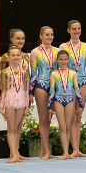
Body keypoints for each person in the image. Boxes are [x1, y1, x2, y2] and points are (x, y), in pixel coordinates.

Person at [59, 20, 86, 158]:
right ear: (68, 30)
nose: (77, 31)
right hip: (68, 83)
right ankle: (68, 150)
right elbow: (61, 65)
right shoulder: (63, 46)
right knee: (69, 117)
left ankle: (76, 149)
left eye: (79, 28)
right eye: (74, 29)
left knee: (78, 115)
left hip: (82, 82)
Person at [0, 28, 29, 160]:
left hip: (21, 98)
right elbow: (3, 87)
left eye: (23, 38)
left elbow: (26, 86)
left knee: (18, 126)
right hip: (10, 98)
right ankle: (13, 154)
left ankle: (15, 153)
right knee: (11, 127)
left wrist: (27, 102)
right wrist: (1, 104)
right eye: (18, 38)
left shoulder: (24, 68)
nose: (16, 57)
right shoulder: (5, 67)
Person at [30, 26, 59, 159]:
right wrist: (30, 92)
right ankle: (46, 151)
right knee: (43, 119)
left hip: (54, 86)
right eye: (47, 35)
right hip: (41, 86)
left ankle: (44, 150)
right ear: (41, 36)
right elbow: (33, 74)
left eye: (51, 35)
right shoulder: (35, 52)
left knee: (49, 118)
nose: (50, 37)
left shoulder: (58, 51)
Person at [48, 50, 83, 160]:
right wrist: (49, 107)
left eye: (65, 59)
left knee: (68, 125)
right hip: (58, 100)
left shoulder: (73, 74)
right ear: (57, 60)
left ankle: (68, 152)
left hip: (70, 100)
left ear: (68, 60)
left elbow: (77, 89)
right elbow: (52, 91)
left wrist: (80, 105)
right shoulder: (54, 74)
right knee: (62, 126)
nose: (63, 61)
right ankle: (65, 152)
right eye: (61, 59)